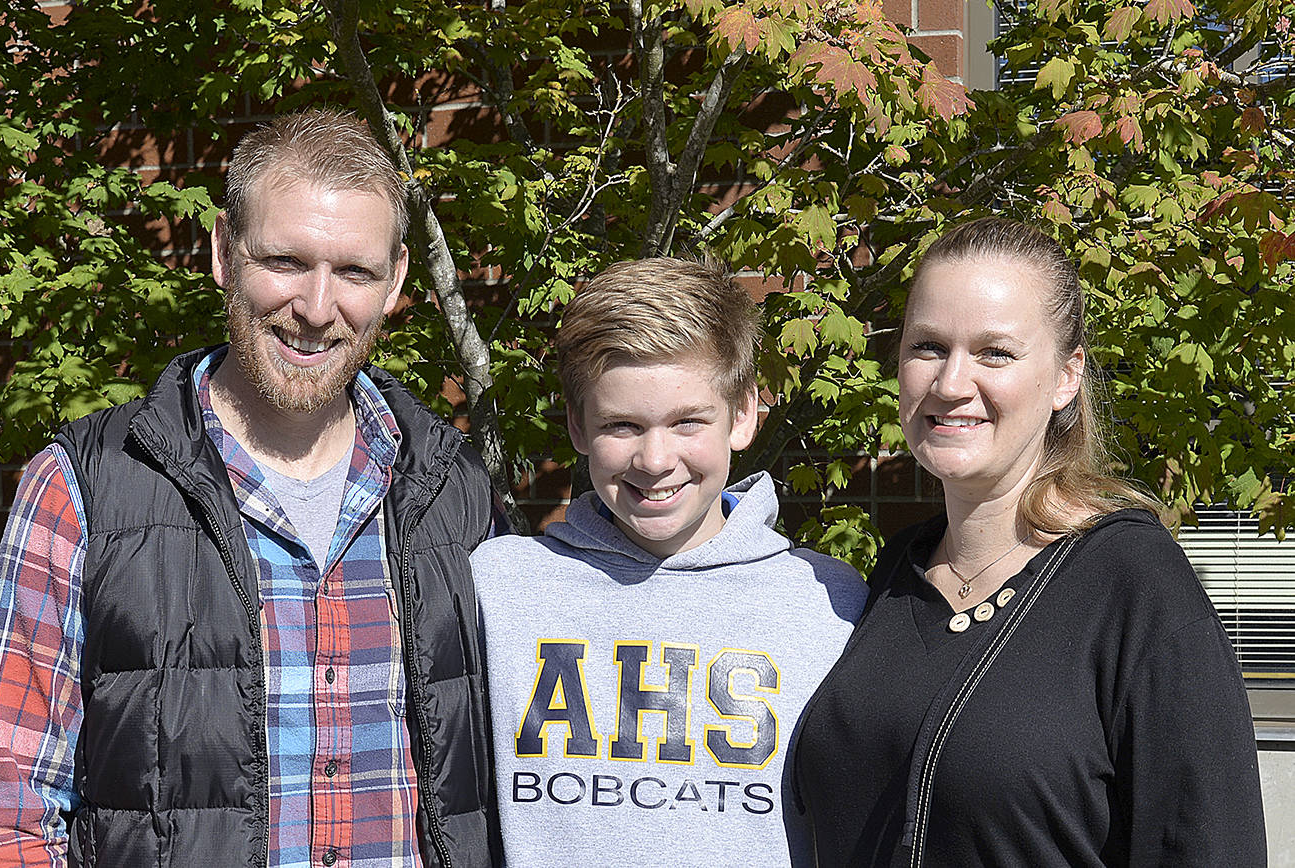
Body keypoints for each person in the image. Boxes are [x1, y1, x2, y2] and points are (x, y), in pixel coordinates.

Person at [0, 110, 498, 867]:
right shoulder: (84, 489)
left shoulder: (458, 493)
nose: (317, 309)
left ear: (397, 280)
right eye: (284, 261)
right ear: (222, 251)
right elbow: (12, 822)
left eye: (354, 272)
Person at [795, 216, 1266, 866]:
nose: (952, 383)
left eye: (995, 353)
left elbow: (1206, 844)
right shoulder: (896, 572)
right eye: (928, 346)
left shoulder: (1132, 581)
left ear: (1066, 377)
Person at [473, 257, 869, 867]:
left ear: (743, 415)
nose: (655, 460)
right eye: (622, 425)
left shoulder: (829, 603)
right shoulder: (499, 587)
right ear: (577, 426)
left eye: (687, 422)